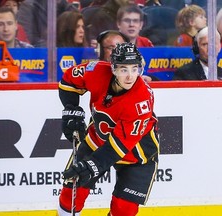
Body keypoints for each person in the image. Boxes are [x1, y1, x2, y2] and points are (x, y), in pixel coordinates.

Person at [57, 42, 159, 216]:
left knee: (124, 210)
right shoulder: (96, 70)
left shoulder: (141, 99)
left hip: (136, 154)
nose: (130, 76)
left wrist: (91, 166)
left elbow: (119, 145)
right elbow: (69, 80)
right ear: (113, 68)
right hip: (96, 140)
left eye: (134, 69)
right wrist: (71, 109)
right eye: (123, 69)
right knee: (71, 195)